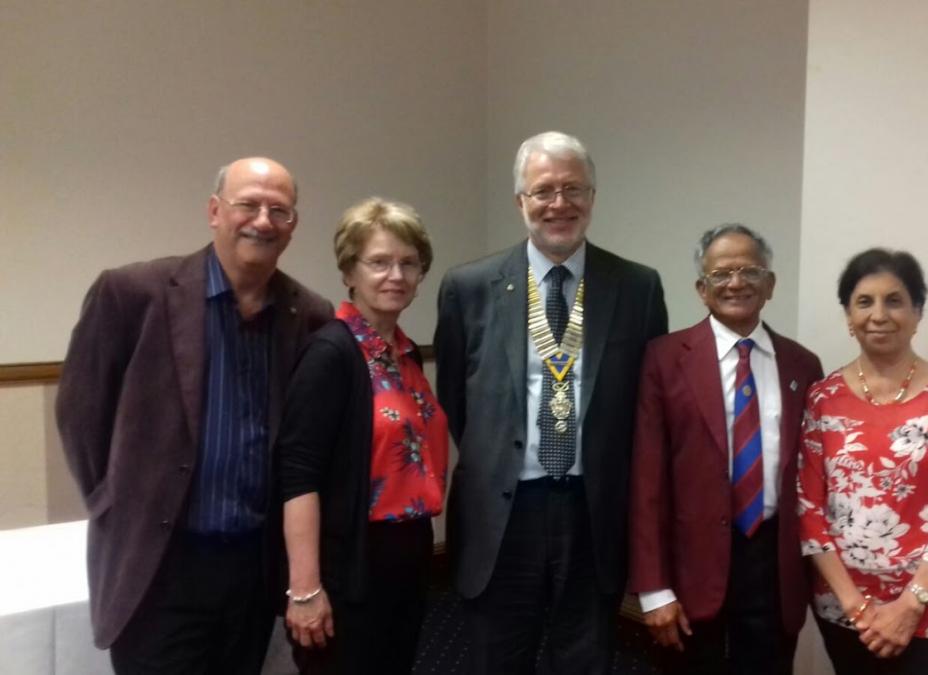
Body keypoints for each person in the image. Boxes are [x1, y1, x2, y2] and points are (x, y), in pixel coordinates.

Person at [56, 157, 332, 673]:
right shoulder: (131, 294)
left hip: (252, 568)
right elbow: (80, 411)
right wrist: (110, 501)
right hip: (160, 566)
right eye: (247, 204)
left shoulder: (309, 316)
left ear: (294, 225)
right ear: (214, 211)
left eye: (280, 210)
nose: (263, 221)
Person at [434, 130, 668, 674]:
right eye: (543, 191)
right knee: (498, 657)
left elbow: (644, 406)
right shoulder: (468, 286)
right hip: (504, 510)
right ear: (520, 202)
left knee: (585, 657)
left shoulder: (637, 287)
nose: (558, 204)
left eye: (573, 189)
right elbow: (457, 399)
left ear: (593, 197)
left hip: (594, 509)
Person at [628, 224, 824, 674]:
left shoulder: (803, 365)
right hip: (690, 565)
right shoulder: (663, 359)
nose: (736, 283)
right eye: (721, 274)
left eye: (750, 271)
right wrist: (654, 589)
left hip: (772, 561)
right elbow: (646, 481)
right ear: (702, 288)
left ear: (770, 284)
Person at [275, 197, 447, 672]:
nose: (396, 275)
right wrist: (305, 589)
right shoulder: (331, 353)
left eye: (408, 263)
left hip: (408, 555)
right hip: (349, 563)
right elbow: (298, 476)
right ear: (349, 271)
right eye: (379, 262)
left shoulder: (405, 355)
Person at [797, 248, 928, 674]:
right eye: (864, 302)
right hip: (846, 610)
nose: (878, 314)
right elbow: (808, 510)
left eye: (894, 301)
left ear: (917, 313)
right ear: (848, 316)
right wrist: (855, 606)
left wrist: (910, 604)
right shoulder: (822, 397)